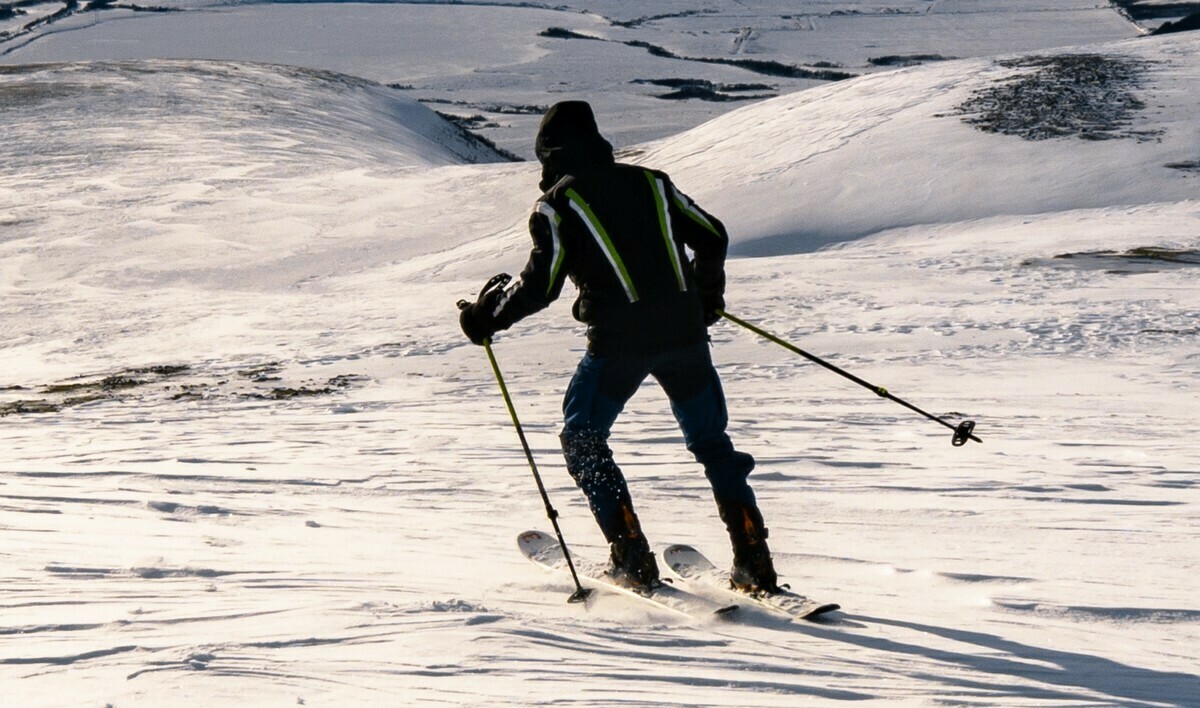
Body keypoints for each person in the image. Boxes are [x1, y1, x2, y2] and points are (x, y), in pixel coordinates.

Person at [459, 101, 780, 595]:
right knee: (713, 444)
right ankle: (753, 559)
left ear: (548, 155)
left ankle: (630, 554)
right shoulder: (653, 182)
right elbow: (713, 236)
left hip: (618, 346)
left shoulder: (558, 205)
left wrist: (484, 319)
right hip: (686, 338)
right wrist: (706, 298)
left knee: (583, 438)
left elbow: (541, 286)